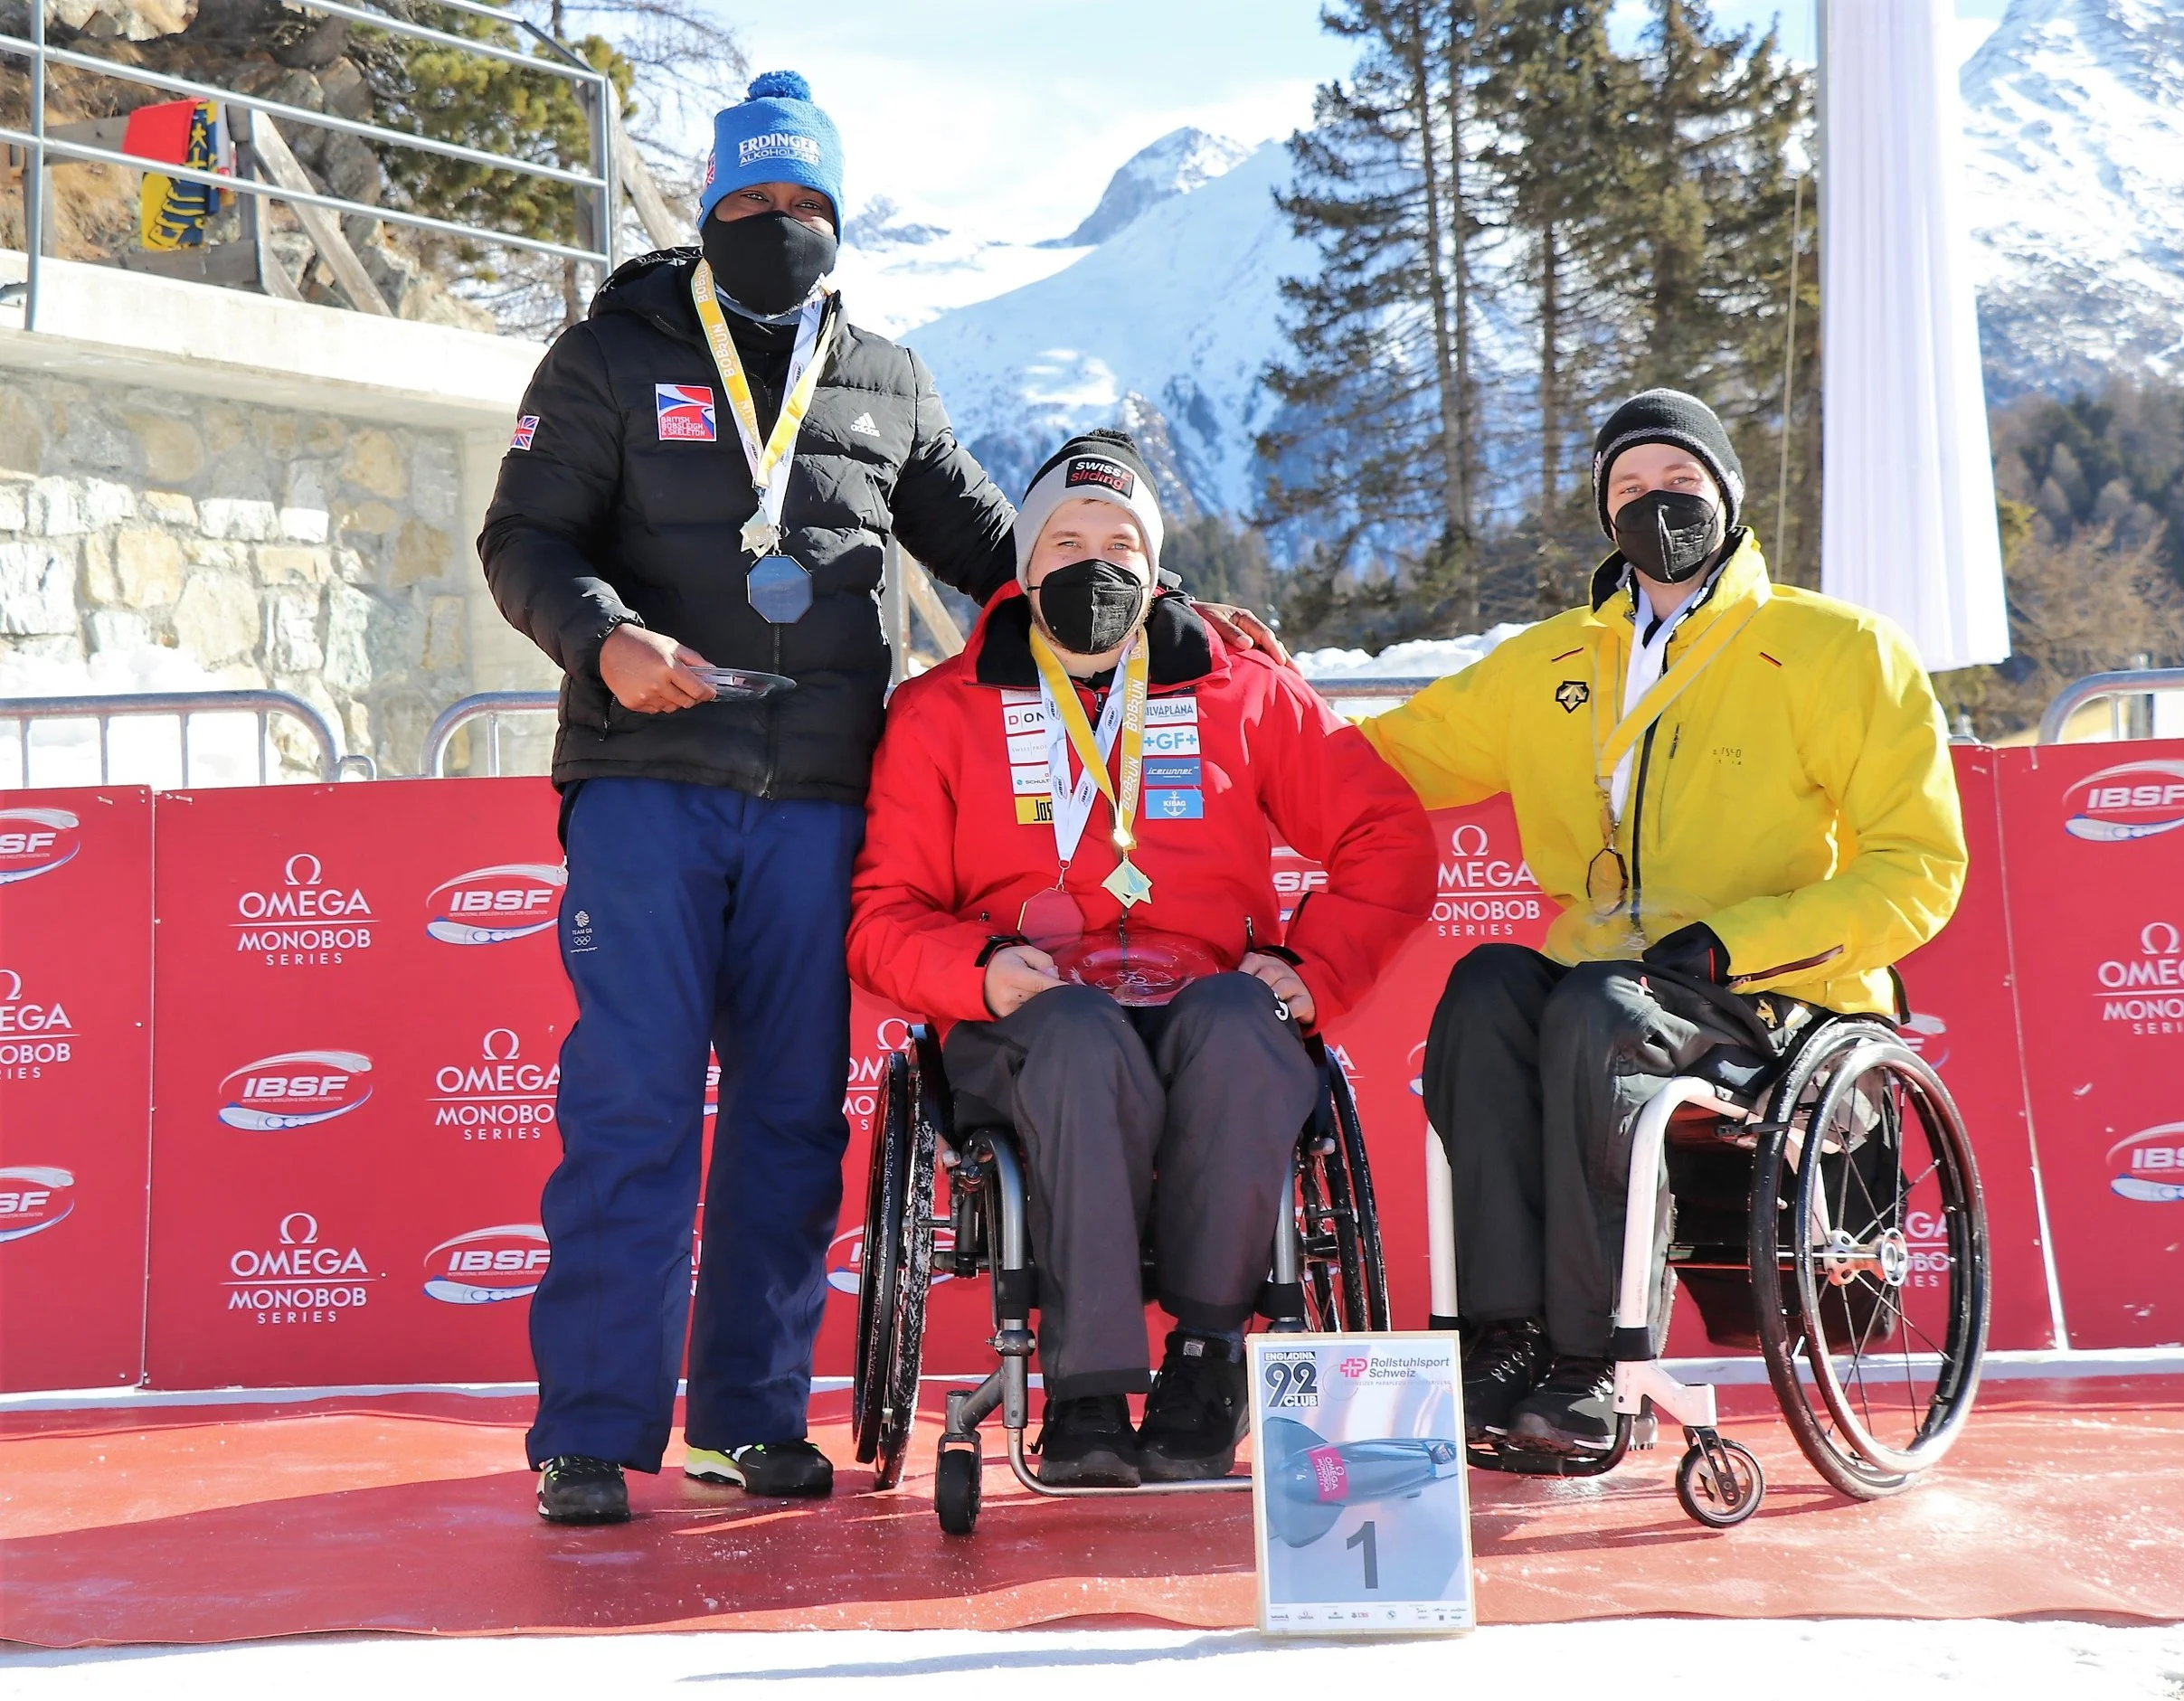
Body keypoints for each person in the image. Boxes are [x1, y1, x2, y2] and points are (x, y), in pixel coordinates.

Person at [481, 75, 1281, 1526]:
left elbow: (1001, 554)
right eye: (751, 203)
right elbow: (522, 536)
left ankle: (745, 1420)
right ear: (710, 211)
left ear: (835, 222)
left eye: (803, 206)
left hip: (819, 796)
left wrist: (1181, 620)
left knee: (791, 1117)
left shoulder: (886, 378)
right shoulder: (607, 354)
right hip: (648, 780)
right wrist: (602, 634)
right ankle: (590, 1429)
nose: (777, 226)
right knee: (636, 1102)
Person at [1359, 389, 1967, 1455]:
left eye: (1678, 483)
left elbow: (1917, 870)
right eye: (1628, 489)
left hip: (1762, 988)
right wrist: (1233, 686)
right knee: (1489, 987)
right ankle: (1501, 1337)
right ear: (1603, 514)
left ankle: (1594, 1356)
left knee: (1596, 1008)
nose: (1655, 506)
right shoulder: (1549, 661)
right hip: (1608, 979)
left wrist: (1745, 938)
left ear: (1727, 493)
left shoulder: (1834, 649)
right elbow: (1374, 760)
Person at [846, 430, 1434, 1486]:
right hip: (1032, 1018)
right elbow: (882, 915)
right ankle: (1085, 1393)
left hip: (1198, 995)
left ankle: (1206, 1361)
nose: (1093, 565)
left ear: (1154, 566)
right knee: (1073, 1030)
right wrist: (976, 971)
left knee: (1243, 1027)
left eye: (1120, 542)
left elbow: (1387, 838)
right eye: (1065, 541)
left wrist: (1318, 971)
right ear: (1024, 568)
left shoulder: (1241, 690)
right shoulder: (941, 711)